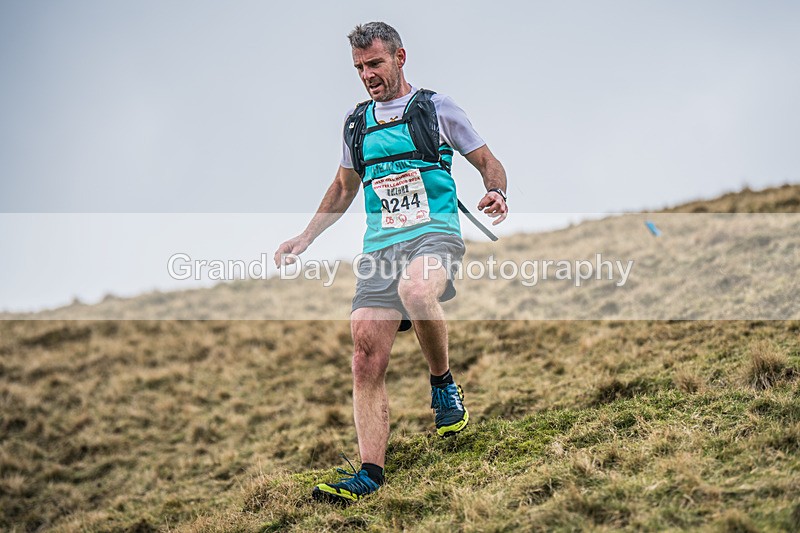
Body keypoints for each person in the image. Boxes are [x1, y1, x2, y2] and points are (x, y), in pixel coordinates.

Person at [274, 21, 508, 504]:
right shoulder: (356, 123)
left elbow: (487, 160)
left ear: (400, 57)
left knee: (417, 292)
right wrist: (305, 236)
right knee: (363, 352)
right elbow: (343, 189)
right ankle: (369, 475)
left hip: (434, 234)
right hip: (381, 247)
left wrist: (495, 190)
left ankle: (443, 385)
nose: (367, 75)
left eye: (375, 63)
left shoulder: (436, 108)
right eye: (359, 67)